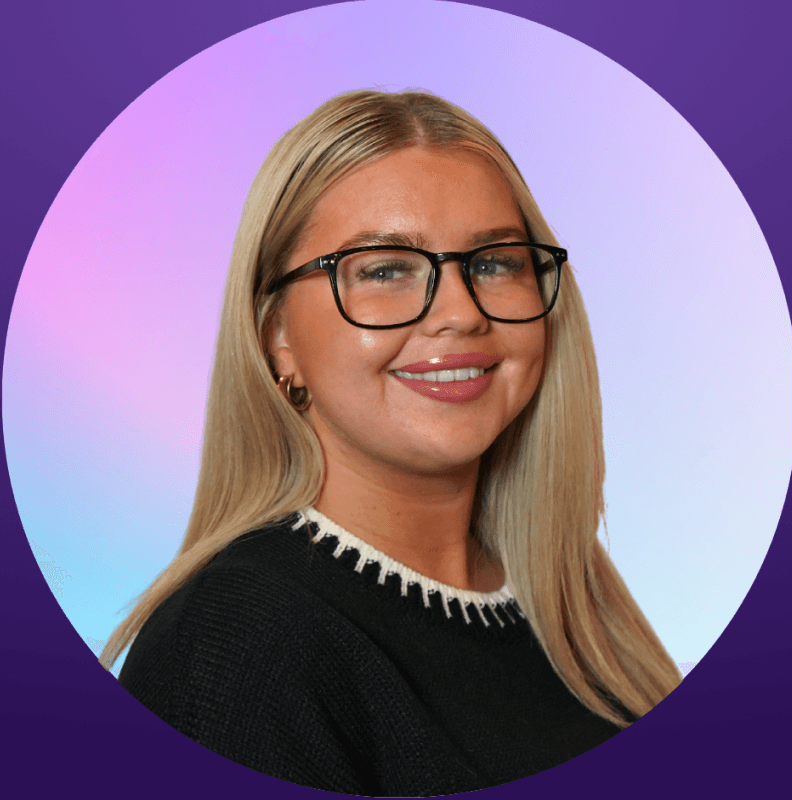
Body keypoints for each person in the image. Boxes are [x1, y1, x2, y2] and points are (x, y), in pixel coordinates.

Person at [102, 89, 682, 796]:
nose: (461, 313)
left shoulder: (583, 618)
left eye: (496, 262)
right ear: (275, 337)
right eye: (384, 270)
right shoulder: (237, 644)